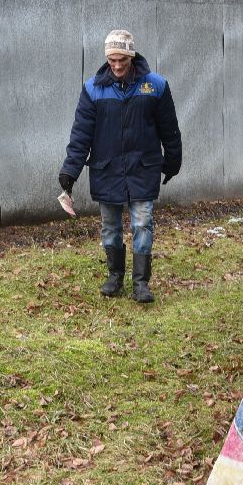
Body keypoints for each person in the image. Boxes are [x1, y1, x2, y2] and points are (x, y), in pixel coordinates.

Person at [59, 29, 182, 303]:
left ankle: (141, 284)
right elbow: (81, 135)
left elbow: (170, 129)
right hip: (107, 170)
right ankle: (115, 276)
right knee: (110, 226)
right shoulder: (93, 89)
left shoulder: (156, 86)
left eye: (122, 60)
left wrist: (173, 162)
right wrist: (70, 171)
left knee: (143, 223)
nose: (116, 66)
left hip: (143, 167)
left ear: (131, 57)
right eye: (112, 60)